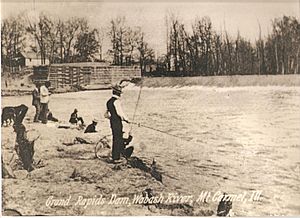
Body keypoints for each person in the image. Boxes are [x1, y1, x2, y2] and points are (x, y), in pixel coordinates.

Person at [105, 84, 130, 162]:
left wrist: (112, 117)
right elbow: (120, 113)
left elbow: (106, 114)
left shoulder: (108, 101)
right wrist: (127, 119)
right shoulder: (116, 102)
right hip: (117, 122)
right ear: (118, 93)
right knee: (118, 138)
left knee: (116, 138)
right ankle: (116, 158)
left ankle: (116, 155)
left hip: (112, 122)